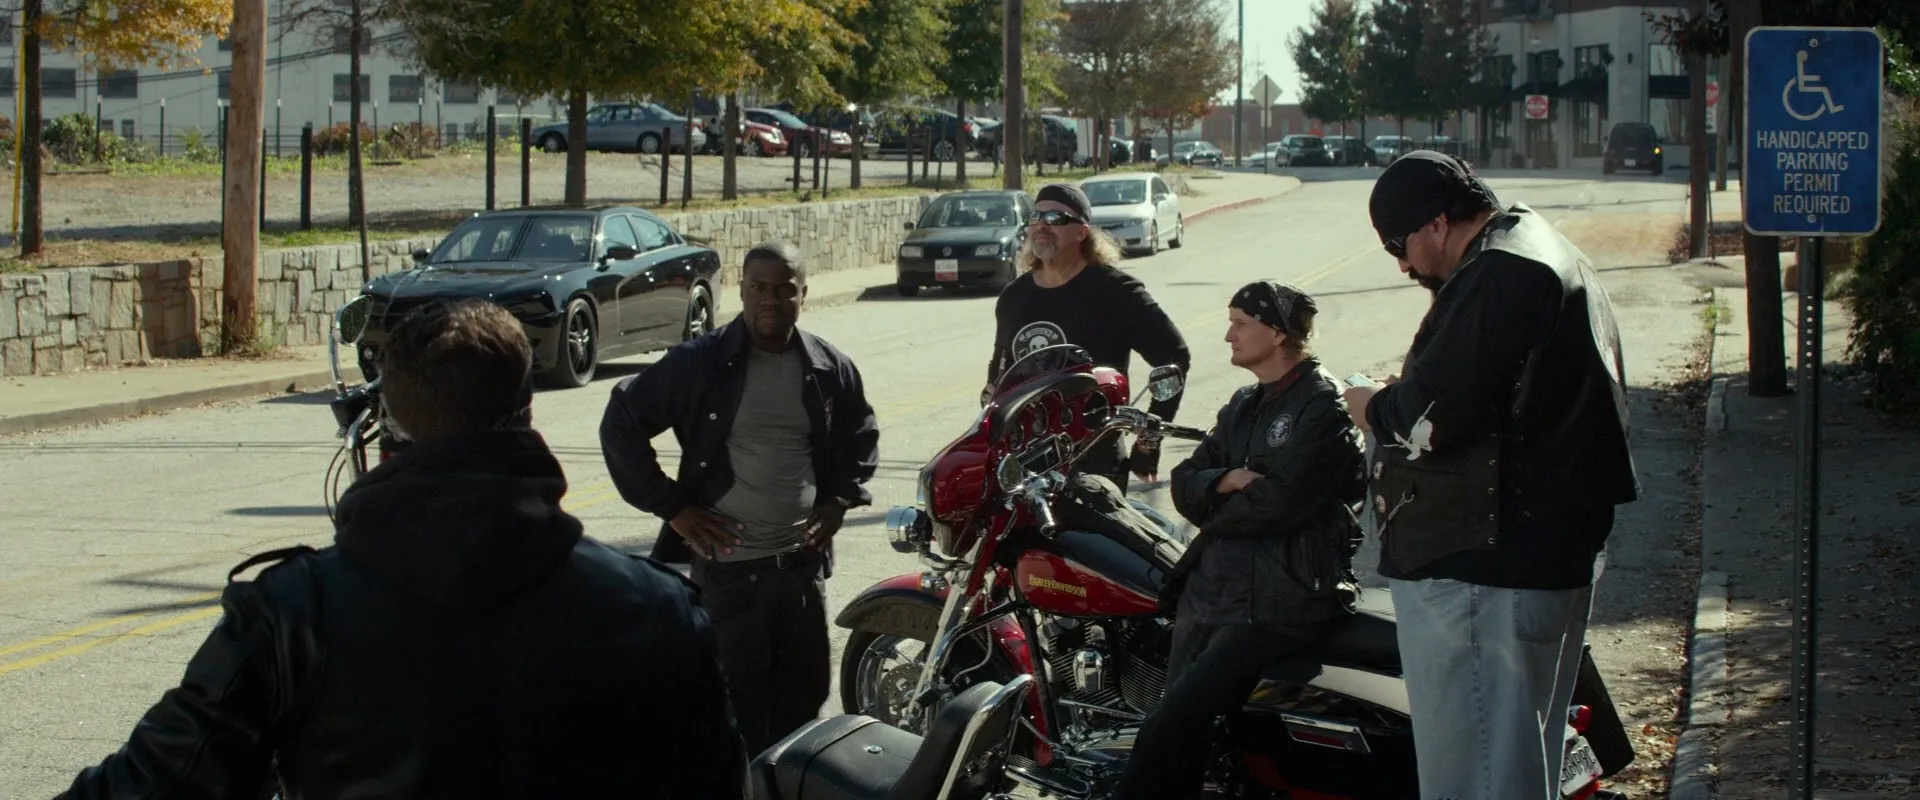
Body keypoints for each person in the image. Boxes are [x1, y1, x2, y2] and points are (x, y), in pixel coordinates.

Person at [59, 299, 746, 799]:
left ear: (389, 423)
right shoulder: (656, 607)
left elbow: (157, 782)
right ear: (526, 415)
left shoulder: (295, 613)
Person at [1343, 151, 1638, 800]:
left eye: (1398, 246)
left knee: (1474, 776)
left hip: (1485, 570)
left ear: (1437, 223)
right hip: (1531, 555)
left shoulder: (1502, 271)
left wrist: (1371, 405)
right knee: (1515, 768)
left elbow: (1427, 419)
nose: (1402, 266)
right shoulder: (1539, 248)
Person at [600, 240, 879, 756]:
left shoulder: (826, 366)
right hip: (729, 575)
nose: (770, 300)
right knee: (735, 715)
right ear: (741, 290)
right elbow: (621, 421)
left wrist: (838, 501)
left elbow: (860, 434)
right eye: (758, 288)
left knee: (803, 705)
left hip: (800, 570)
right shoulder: (700, 362)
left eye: (784, 290)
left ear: (803, 294)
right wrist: (674, 508)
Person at [1111, 281, 1366, 800]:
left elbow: (1282, 503)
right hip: (1215, 591)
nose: (1229, 335)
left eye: (1241, 323)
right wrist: (1227, 479)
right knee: (1178, 727)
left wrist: (1219, 501)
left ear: (1278, 333)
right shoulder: (1244, 403)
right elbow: (1184, 483)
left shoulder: (1323, 406)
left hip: (1281, 599)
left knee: (1172, 720)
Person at [985, 182, 1190, 487]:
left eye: (1055, 218)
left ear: (1082, 232)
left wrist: (1149, 439)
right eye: (1035, 217)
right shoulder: (1015, 296)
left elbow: (1174, 356)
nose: (1041, 225)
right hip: (1024, 462)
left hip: (1095, 460)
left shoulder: (1116, 292)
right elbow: (1000, 372)